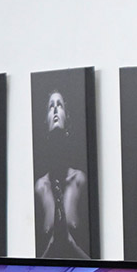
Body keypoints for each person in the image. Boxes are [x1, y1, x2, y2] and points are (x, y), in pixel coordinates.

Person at [34, 88, 89, 259]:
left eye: (60, 105)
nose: (56, 109)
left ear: (67, 120)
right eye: (51, 106)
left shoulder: (80, 181)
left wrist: (70, 243)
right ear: (46, 122)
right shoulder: (39, 188)